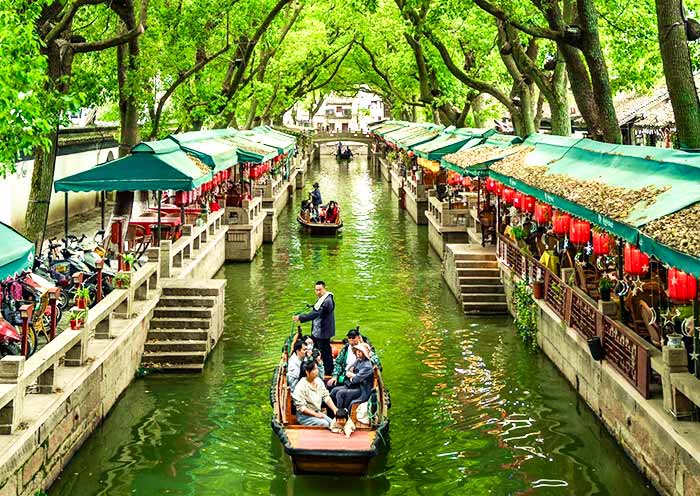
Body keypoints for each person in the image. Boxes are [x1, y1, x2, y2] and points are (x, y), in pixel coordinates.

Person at [293, 281, 335, 373]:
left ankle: (328, 371)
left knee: (325, 352)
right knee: (315, 349)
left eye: (320, 290)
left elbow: (315, 314)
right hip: (317, 331)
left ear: (325, 289)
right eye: (316, 290)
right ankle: (314, 366)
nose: (318, 292)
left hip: (323, 332)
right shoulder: (321, 299)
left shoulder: (327, 301)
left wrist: (300, 317)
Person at [293, 360, 339, 427]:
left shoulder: (318, 381)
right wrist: (315, 414)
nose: (317, 371)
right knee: (325, 424)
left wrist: (335, 409)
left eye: (317, 368)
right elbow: (301, 407)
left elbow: (326, 396)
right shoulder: (301, 385)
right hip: (304, 417)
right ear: (307, 372)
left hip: (317, 412)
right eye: (314, 369)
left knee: (333, 424)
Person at [330, 343, 374, 410]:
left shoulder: (367, 366)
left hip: (362, 390)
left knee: (340, 393)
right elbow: (348, 371)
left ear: (365, 353)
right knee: (334, 390)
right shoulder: (358, 360)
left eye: (360, 351)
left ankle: (342, 414)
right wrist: (353, 375)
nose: (358, 353)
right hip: (353, 385)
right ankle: (332, 413)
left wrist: (353, 375)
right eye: (357, 351)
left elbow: (355, 380)